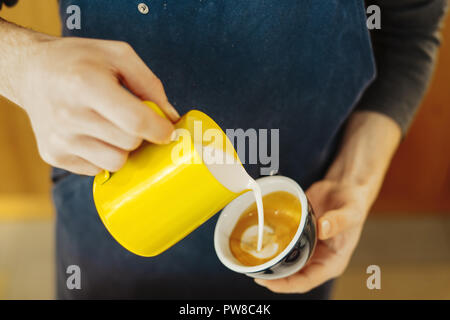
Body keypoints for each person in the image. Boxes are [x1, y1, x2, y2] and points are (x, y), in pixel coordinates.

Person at [0, 0, 447, 299]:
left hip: (306, 205)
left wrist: (355, 178)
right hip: (119, 192)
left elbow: (405, 33)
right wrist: (23, 66)